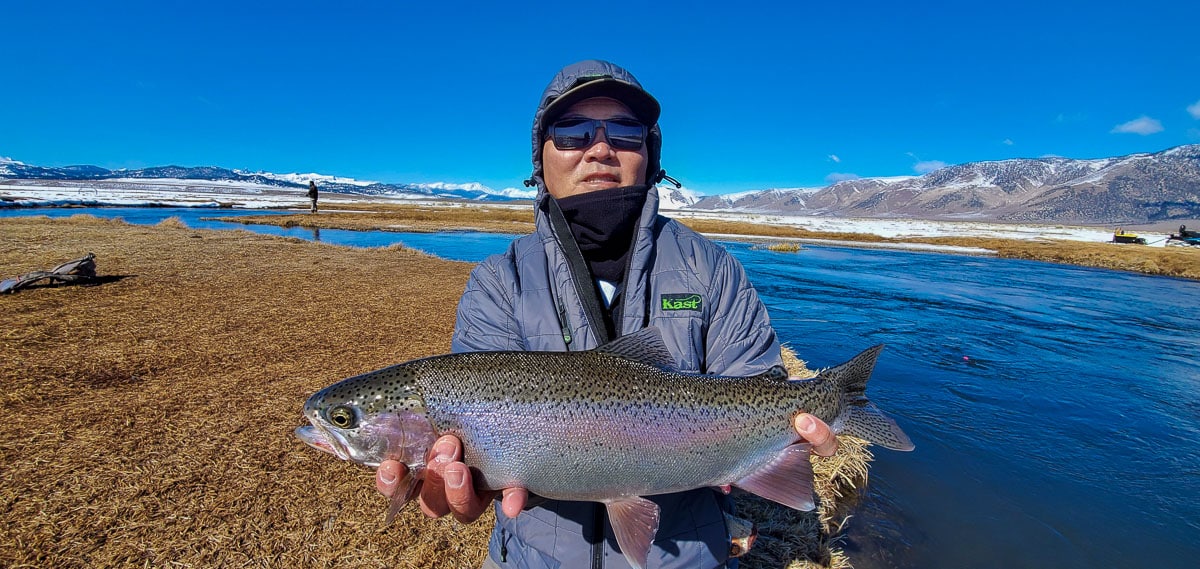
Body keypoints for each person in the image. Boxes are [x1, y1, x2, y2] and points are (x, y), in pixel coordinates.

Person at [376, 60, 837, 569]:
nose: (600, 148)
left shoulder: (713, 270)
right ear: (540, 159)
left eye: (624, 132)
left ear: (650, 154)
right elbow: (463, 478)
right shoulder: (499, 281)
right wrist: (456, 488)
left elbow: (759, 384)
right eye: (572, 132)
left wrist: (787, 433)